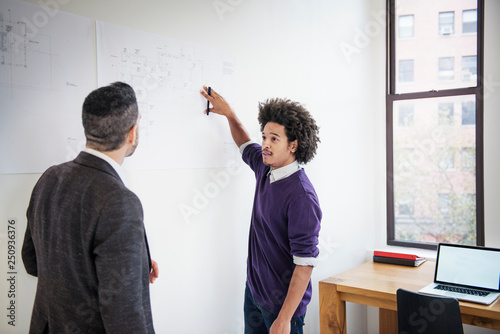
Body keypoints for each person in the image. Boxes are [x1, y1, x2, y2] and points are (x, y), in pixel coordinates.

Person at [22, 82, 158, 334]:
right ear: (132, 133)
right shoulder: (120, 201)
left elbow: (33, 262)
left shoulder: (50, 177)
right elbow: (124, 317)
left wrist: (132, 262)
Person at [200, 86, 322, 334]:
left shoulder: (302, 198)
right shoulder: (265, 168)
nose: (265, 144)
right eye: (264, 136)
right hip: (254, 295)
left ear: (293, 145)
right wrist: (230, 114)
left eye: (274, 139)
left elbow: (305, 265)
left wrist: (285, 319)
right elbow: (244, 142)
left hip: (282, 308)